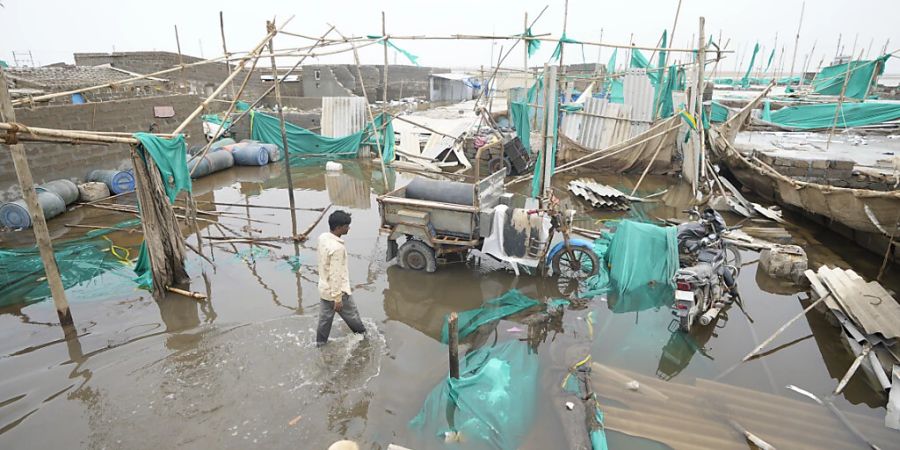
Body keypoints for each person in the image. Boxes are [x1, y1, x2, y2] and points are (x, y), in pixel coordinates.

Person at [316, 210, 366, 345]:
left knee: (324, 321)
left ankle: (320, 344)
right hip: (338, 292)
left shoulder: (323, 238)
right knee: (353, 317)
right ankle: (364, 339)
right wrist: (337, 298)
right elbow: (335, 274)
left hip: (324, 289)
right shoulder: (337, 248)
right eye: (346, 226)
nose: (348, 228)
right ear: (338, 228)